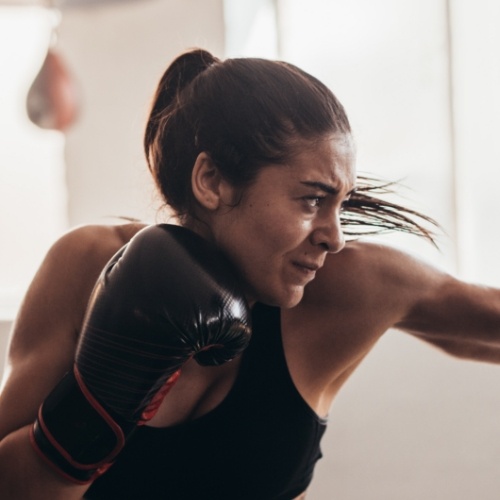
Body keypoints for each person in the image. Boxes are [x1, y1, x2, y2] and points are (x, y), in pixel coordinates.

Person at [0, 48, 499, 500]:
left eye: (340, 205)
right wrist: (96, 405)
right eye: (311, 200)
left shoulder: (349, 286)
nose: (335, 236)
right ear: (211, 181)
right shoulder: (87, 266)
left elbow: (485, 329)